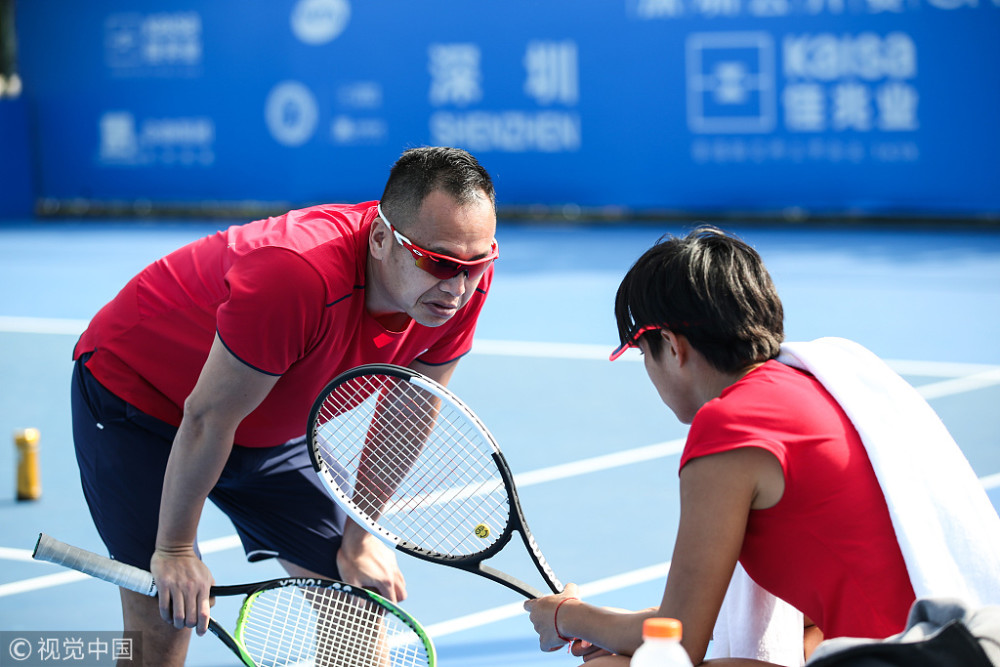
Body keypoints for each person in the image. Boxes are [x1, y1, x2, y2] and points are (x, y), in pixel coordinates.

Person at [71, 146, 499, 666]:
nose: (457, 286)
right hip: (138, 400)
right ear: (383, 238)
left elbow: (405, 415)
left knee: (356, 600)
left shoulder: (459, 285)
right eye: (439, 262)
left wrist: (361, 536)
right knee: (165, 618)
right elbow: (208, 417)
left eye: (478, 263)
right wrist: (177, 550)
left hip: (267, 424)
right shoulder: (297, 274)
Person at [524, 226, 918, 666]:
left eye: (641, 352)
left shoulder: (729, 426)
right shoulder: (820, 387)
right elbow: (801, 614)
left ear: (672, 347)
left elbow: (679, 641)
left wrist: (566, 616)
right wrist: (628, 627)